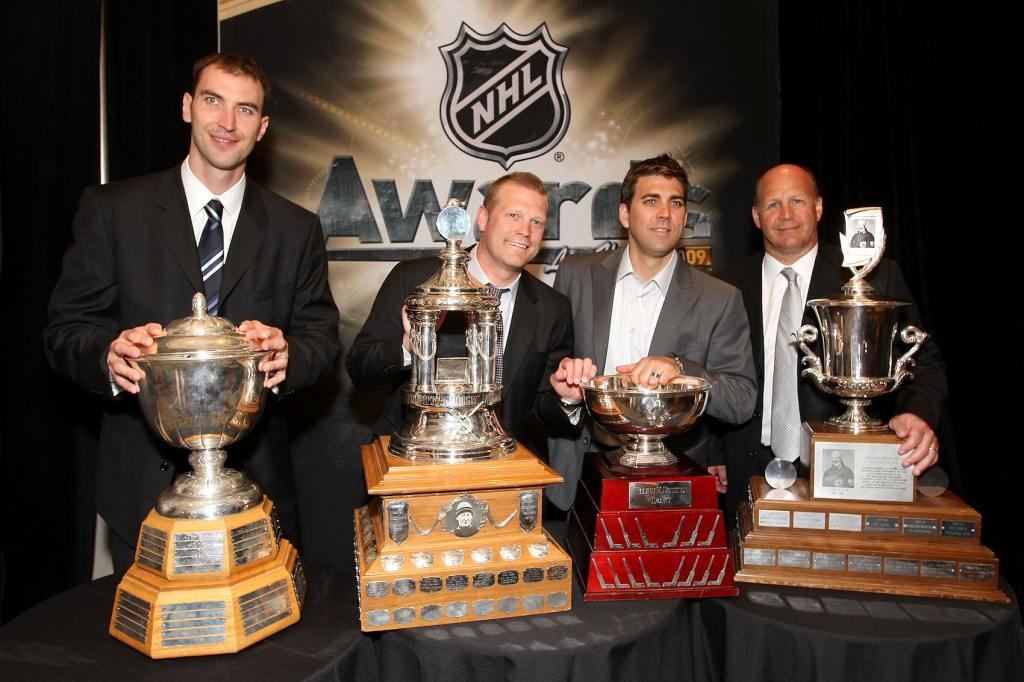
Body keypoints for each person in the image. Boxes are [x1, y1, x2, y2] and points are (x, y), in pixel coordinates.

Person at [44, 53, 340, 572]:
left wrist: (288, 356)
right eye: (212, 101)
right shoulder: (113, 210)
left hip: (255, 486)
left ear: (263, 127)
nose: (227, 123)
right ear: (187, 107)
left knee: (257, 645)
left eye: (245, 110)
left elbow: (321, 339)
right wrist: (107, 357)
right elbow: (66, 330)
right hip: (141, 486)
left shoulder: (296, 230)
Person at [714, 164, 947, 519]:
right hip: (745, 469)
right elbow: (713, 371)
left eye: (797, 200)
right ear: (757, 217)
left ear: (819, 208)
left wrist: (917, 413)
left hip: (844, 466)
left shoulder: (872, 278)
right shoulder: (726, 283)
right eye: (773, 205)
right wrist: (713, 451)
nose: (787, 214)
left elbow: (924, 360)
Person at [546, 154, 757, 509]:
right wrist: (565, 392)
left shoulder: (720, 298)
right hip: (578, 473)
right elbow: (549, 371)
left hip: (668, 483)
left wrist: (683, 369)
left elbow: (741, 401)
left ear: (685, 217)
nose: (664, 213)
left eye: (675, 203)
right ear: (625, 214)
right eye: (651, 201)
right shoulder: (576, 275)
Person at [346, 171, 572, 454]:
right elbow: (361, 369)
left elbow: (542, 408)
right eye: (513, 215)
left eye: (536, 221)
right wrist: (409, 345)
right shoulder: (414, 281)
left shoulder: (553, 308)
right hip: (416, 460)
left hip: (505, 468)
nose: (525, 231)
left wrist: (567, 398)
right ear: (483, 218)